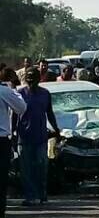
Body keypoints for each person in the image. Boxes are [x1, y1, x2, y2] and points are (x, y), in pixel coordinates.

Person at [17, 67, 60, 206]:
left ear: (38, 79)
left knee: (41, 168)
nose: (30, 81)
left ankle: (42, 194)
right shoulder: (20, 94)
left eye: (33, 78)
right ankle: (30, 196)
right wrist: (12, 134)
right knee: (26, 170)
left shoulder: (45, 94)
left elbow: (50, 113)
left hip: (41, 137)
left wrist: (56, 129)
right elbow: (14, 116)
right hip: (24, 137)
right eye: (28, 78)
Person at [0, 72, 26, 218]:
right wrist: (12, 89)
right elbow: (22, 107)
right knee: (1, 183)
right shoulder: (3, 90)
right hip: (1, 141)